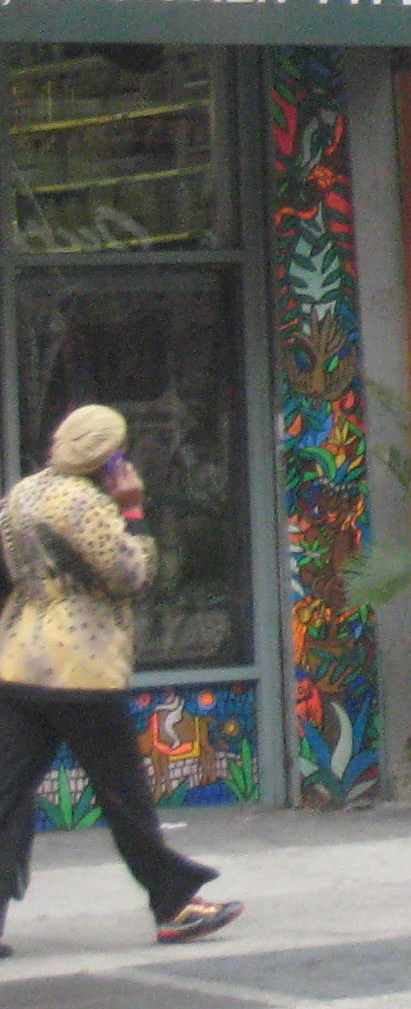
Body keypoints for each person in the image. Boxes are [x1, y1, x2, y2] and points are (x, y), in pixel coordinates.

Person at [0, 406, 240, 951]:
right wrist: (132, 509)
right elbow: (132, 575)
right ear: (109, 457)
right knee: (124, 795)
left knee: (6, 796)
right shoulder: (85, 503)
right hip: (80, 667)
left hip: (19, 662)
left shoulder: (22, 495)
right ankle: (174, 905)